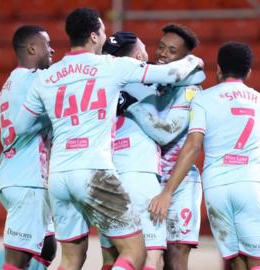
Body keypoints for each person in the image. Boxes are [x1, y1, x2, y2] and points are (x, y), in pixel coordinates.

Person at [13, 8, 203, 270]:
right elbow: (170, 74)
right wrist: (194, 62)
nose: (105, 36)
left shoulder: (47, 77)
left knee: (71, 258)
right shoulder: (112, 66)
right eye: (102, 31)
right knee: (135, 251)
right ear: (94, 36)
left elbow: (21, 126)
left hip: (58, 176)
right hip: (94, 172)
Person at [149, 41, 260, 270]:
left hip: (216, 188)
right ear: (248, 72)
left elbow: (193, 147)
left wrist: (168, 192)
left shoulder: (203, 100)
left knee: (236, 262)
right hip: (249, 184)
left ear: (218, 69)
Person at [124, 23, 204, 270]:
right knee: (142, 256)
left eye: (172, 51)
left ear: (184, 59)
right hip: (149, 181)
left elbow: (166, 132)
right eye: (160, 47)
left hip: (178, 185)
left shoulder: (191, 91)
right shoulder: (154, 83)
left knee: (175, 256)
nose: (162, 54)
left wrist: (132, 106)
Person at [100, 31, 167, 270]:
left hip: (107, 180)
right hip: (140, 174)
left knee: (111, 258)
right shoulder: (148, 84)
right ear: (138, 55)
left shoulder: (99, 88)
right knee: (152, 257)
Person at [0, 25, 56, 270]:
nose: (52, 49)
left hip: (16, 173)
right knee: (17, 260)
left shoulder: (10, 84)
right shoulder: (35, 80)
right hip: (26, 179)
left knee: (47, 247)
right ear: (32, 48)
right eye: (47, 43)